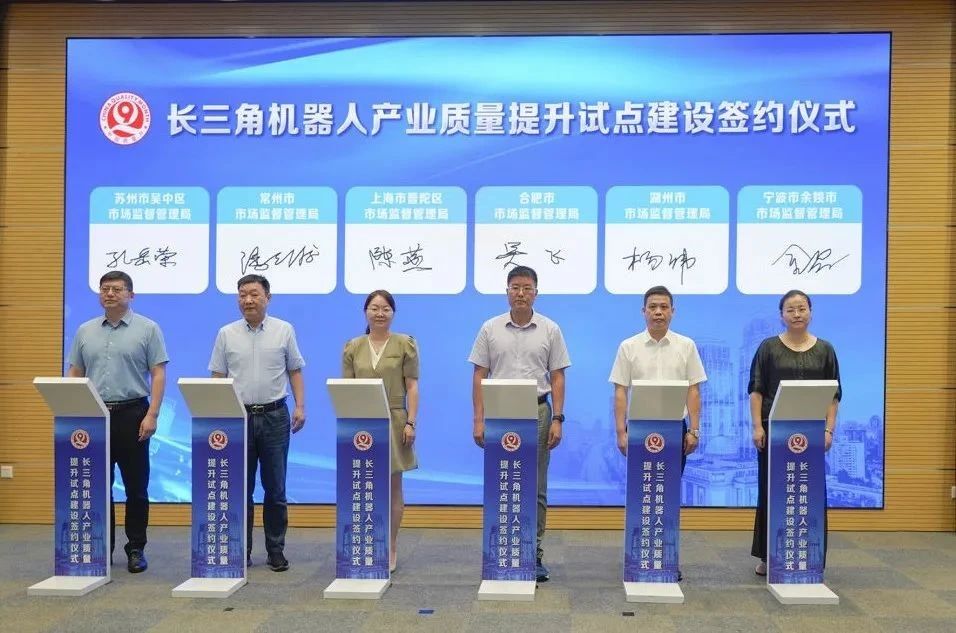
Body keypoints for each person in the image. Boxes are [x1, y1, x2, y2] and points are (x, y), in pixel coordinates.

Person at [469, 265, 570, 583]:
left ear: (536, 293)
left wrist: (558, 418)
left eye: (527, 288)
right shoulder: (490, 328)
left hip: (538, 412)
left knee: (535, 486)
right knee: (501, 483)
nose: (521, 293)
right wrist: (478, 419)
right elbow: (479, 374)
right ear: (507, 292)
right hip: (500, 415)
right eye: (515, 287)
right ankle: (501, 550)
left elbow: (557, 376)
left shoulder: (550, 329)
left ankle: (533, 554)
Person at [67, 271, 168, 574]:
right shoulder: (85, 330)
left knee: (136, 487)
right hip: (94, 415)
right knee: (98, 486)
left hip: (133, 414)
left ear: (130, 295)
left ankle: (136, 548)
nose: (109, 294)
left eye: (116, 289)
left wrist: (153, 414)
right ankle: (102, 549)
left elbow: (158, 373)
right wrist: (72, 410)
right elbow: (75, 372)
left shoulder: (148, 329)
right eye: (104, 289)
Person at [608, 285, 706, 581]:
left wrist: (695, 430)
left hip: (675, 429)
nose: (658, 312)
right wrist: (620, 432)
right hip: (639, 431)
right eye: (653, 307)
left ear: (672, 311)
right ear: (644, 311)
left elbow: (694, 390)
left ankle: (666, 559)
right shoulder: (629, 346)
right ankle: (638, 558)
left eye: (664, 307)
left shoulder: (686, 345)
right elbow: (620, 391)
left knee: (668, 495)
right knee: (641, 494)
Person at [209, 274, 306, 572]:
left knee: (275, 488)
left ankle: (275, 550)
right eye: (242, 295)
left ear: (267, 297)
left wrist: (300, 406)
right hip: (238, 418)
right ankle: (242, 550)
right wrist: (216, 415)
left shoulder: (283, 330)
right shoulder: (226, 333)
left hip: (275, 416)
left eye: (253, 294)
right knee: (240, 488)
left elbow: (294, 370)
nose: (247, 300)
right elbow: (217, 376)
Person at [749, 289, 841, 576]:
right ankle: (769, 556)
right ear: (782, 315)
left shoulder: (825, 350)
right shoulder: (767, 348)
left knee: (810, 493)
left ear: (810, 312)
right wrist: (757, 426)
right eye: (790, 309)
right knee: (772, 492)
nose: (797, 314)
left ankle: (811, 557)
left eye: (802, 308)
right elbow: (756, 390)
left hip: (811, 435)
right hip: (774, 433)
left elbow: (834, 395)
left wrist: (829, 429)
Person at [342, 290, 419, 573]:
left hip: (395, 420)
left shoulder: (405, 344)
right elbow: (346, 389)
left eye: (385, 308)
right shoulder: (353, 346)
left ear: (393, 313)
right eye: (374, 308)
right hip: (361, 423)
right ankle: (366, 544)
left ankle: (391, 545)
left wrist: (411, 422)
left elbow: (412, 386)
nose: (379, 313)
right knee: (363, 485)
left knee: (393, 486)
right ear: (365, 312)